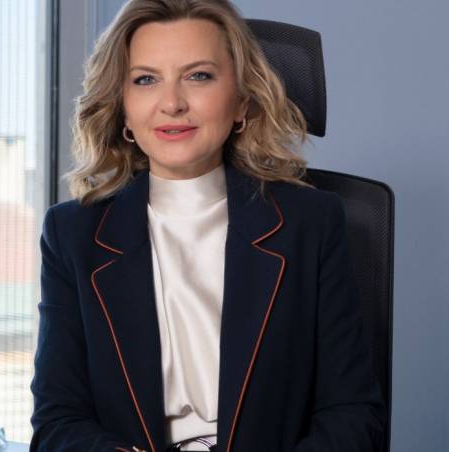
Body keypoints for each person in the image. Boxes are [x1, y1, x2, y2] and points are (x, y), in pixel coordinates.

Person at [29, 0, 386, 451]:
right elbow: (58, 424)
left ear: (241, 101)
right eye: (146, 80)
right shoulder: (73, 235)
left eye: (198, 76)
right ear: (123, 109)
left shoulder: (310, 223)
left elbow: (352, 415)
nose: (172, 103)